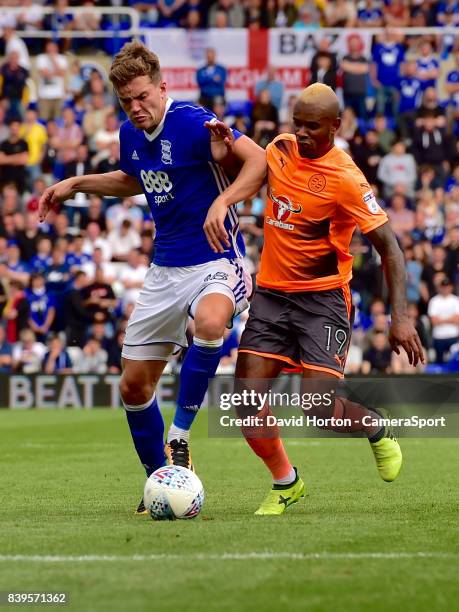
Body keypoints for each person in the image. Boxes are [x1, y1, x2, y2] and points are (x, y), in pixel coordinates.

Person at [38, 41, 266, 514]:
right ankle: (160, 480)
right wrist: (76, 184)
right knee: (133, 388)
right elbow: (134, 178)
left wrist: (223, 204)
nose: (136, 108)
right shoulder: (129, 133)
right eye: (126, 101)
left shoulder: (192, 121)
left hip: (216, 258)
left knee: (209, 323)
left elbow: (259, 161)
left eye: (143, 96)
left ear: (162, 87)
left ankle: (179, 435)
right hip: (165, 269)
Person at [205, 83, 424, 515]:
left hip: (323, 300)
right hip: (271, 295)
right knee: (246, 399)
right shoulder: (280, 149)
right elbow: (244, 171)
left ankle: (376, 427)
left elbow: (391, 249)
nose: (301, 133)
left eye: (312, 126)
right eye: (297, 124)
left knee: (318, 408)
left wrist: (400, 317)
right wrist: (225, 150)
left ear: (335, 127)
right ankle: (286, 483)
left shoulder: (346, 177)